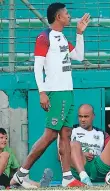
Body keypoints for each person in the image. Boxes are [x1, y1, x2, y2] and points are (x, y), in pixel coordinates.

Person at [12, 3, 90, 188]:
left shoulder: (62, 37)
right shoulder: (44, 37)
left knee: (65, 133)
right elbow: (37, 67)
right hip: (55, 92)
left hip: (67, 91)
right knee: (50, 135)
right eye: (67, 13)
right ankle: (22, 173)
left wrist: (79, 33)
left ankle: (67, 177)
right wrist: (42, 92)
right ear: (58, 17)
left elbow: (78, 56)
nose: (70, 16)